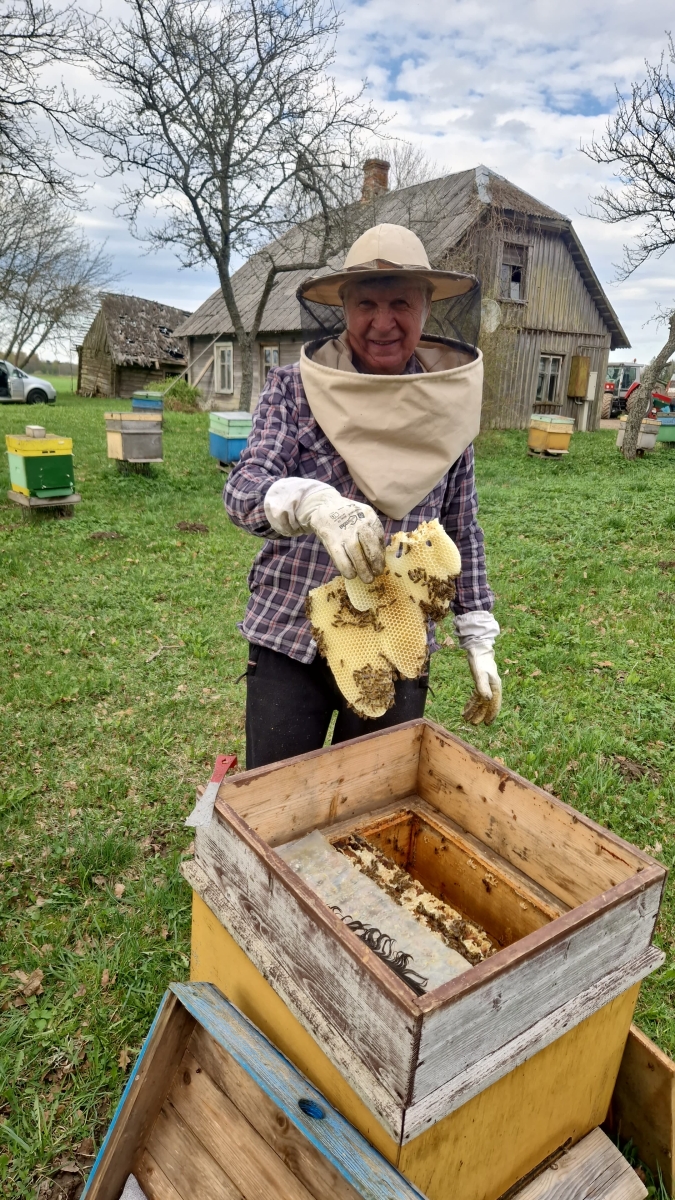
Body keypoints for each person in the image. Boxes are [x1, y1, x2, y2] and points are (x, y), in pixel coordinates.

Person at [226, 223, 501, 769]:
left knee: (373, 803)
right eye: (366, 304)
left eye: (401, 301)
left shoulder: (449, 403)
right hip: (291, 633)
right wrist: (312, 504)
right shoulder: (293, 388)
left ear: (426, 309)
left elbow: (461, 528)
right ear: (343, 308)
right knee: (280, 801)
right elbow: (244, 490)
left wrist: (477, 633)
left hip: (397, 639)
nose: (383, 322)